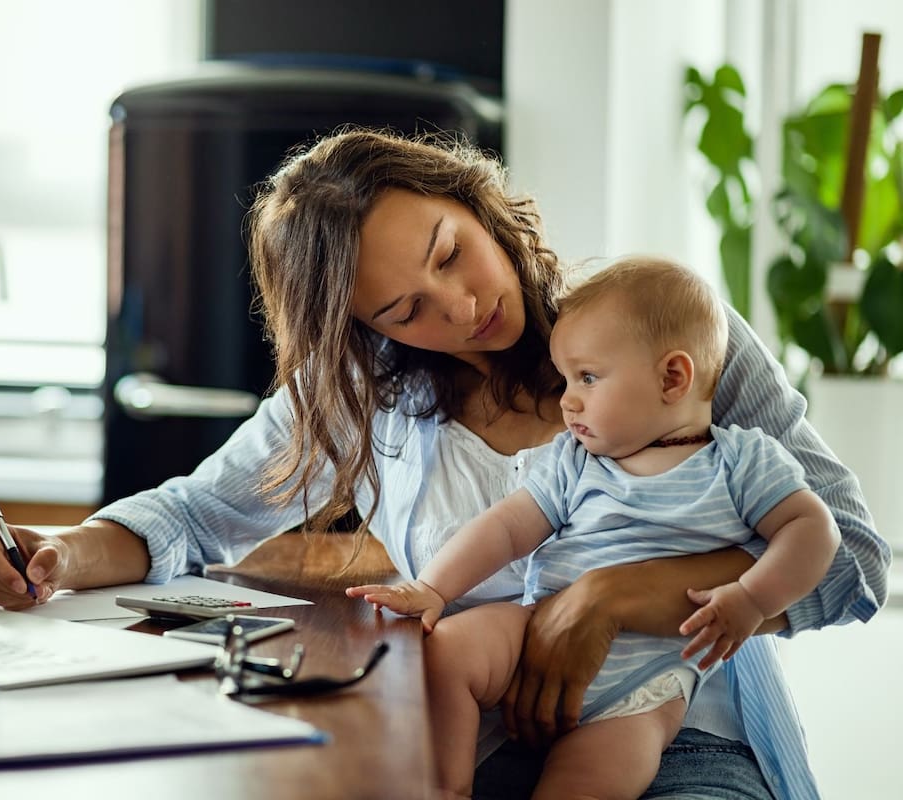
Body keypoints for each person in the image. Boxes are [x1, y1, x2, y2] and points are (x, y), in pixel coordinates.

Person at [0, 129, 889, 799]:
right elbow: (195, 515)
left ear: (475, 201)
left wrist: (606, 600)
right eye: (405, 310)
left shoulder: (664, 341)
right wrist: (61, 554)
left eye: (452, 253)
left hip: (676, 735)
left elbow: (852, 563)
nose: (460, 308)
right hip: (472, 736)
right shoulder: (366, 392)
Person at [346, 256, 841, 800]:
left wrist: (752, 597)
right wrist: (434, 588)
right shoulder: (578, 460)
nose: (567, 400)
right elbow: (508, 528)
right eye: (565, 379)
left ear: (672, 378)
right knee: (450, 650)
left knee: (581, 783)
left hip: (643, 688)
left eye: (587, 377)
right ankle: (447, 788)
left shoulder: (741, 462)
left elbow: (814, 528)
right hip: (538, 630)